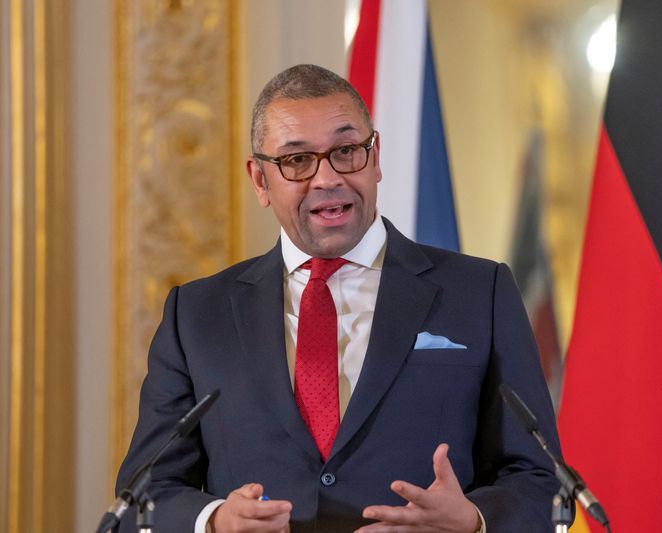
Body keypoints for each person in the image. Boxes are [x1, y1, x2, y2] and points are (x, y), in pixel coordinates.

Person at [115, 64, 561, 532]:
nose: (327, 178)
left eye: (346, 151)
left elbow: (542, 481)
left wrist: (472, 520)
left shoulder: (479, 293)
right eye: (297, 161)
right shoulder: (197, 315)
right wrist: (214, 521)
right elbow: (143, 493)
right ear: (260, 181)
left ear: (376, 157)